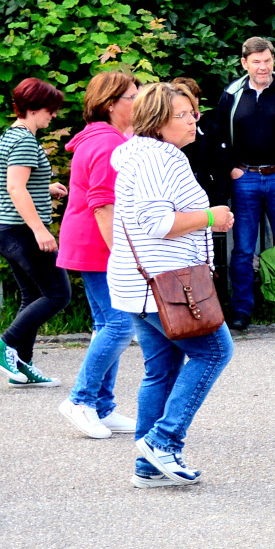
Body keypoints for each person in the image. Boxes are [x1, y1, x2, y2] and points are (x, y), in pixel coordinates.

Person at [109, 83, 236, 488]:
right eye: (183, 114)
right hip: (165, 287)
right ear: (158, 122)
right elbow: (158, 223)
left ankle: (149, 467)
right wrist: (211, 217)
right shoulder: (160, 158)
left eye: (193, 112)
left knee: (161, 371)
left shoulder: (139, 155)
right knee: (215, 352)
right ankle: (162, 442)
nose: (193, 120)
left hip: (143, 286)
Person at [209, 37, 275, 330]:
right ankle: (242, 309)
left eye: (267, 60)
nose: (263, 67)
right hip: (245, 179)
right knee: (243, 248)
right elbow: (217, 137)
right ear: (244, 63)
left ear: (273, 60)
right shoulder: (231, 94)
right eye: (256, 61)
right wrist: (231, 168)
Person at [56, 70, 141, 437]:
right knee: (119, 325)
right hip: (98, 246)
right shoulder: (107, 145)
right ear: (111, 104)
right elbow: (103, 206)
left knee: (107, 325)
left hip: (89, 244)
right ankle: (81, 400)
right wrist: (121, 255)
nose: (138, 103)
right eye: (132, 98)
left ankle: (102, 407)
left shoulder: (103, 139)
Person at [0, 78, 72, 387]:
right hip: (21, 232)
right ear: (35, 108)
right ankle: (2, 347)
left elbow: (15, 184)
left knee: (32, 295)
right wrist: (39, 230)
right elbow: (15, 187)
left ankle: (22, 366)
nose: (54, 116)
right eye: (51, 109)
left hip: (6, 230)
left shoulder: (12, 135)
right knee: (58, 294)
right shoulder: (24, 141)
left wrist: (45, 189)